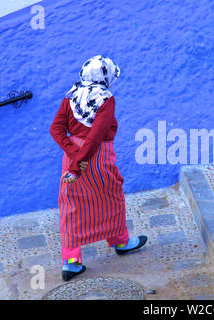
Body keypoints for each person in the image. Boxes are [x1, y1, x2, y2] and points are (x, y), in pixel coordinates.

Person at [50, 55, 147, 281]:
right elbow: (95, 137)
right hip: (98, 158)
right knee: (111, 196)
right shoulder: (106, 99)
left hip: (72, 156)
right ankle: (121, 241)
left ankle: (71, 261)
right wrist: (79, 163)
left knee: (70, 205)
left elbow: (56, 129)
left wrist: (73, 156)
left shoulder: (70, 96)